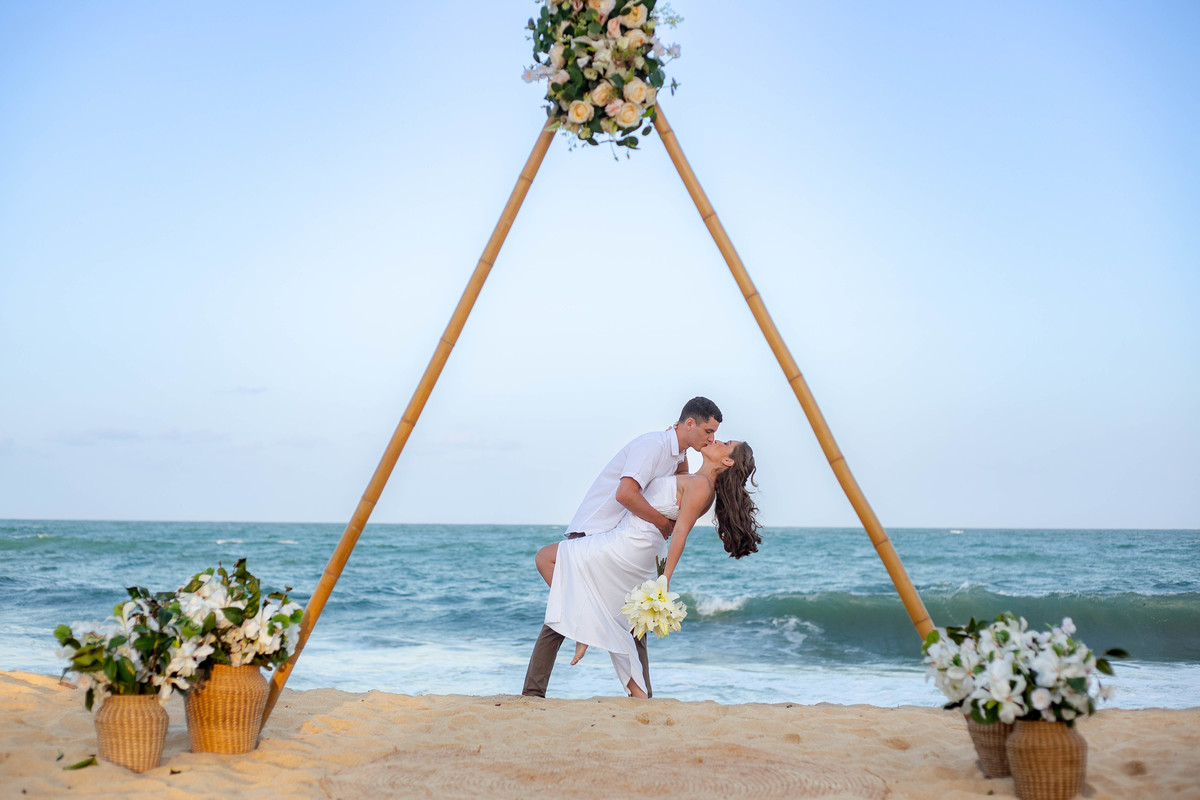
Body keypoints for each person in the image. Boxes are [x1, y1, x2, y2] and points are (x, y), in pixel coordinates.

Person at [521, 397, 724, 698]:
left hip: (624, 539)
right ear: (689, 423)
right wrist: (662, 525)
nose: (712, 438)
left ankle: (540, 689)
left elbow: (679, 488)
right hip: (596, 529)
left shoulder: (678, 454)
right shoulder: (652, 446)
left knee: (625, 617)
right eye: (708, 431)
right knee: (575, 604)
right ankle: (552, 676)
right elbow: (625, 494)